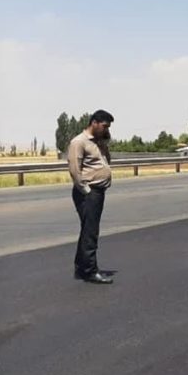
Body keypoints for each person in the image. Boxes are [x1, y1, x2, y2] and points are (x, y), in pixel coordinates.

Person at [68, 110, 114, 284]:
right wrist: (86, 190)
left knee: (87, 230)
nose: (106, 129)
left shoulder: (98, 142)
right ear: (94, 122)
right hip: (88, 192)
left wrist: (104, 142)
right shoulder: (79, 142)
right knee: (91, 232)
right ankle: (90, 271)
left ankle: (81, 268)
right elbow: (74, 168)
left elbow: (107, 161)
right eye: (104, 126)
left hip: (98, 192)